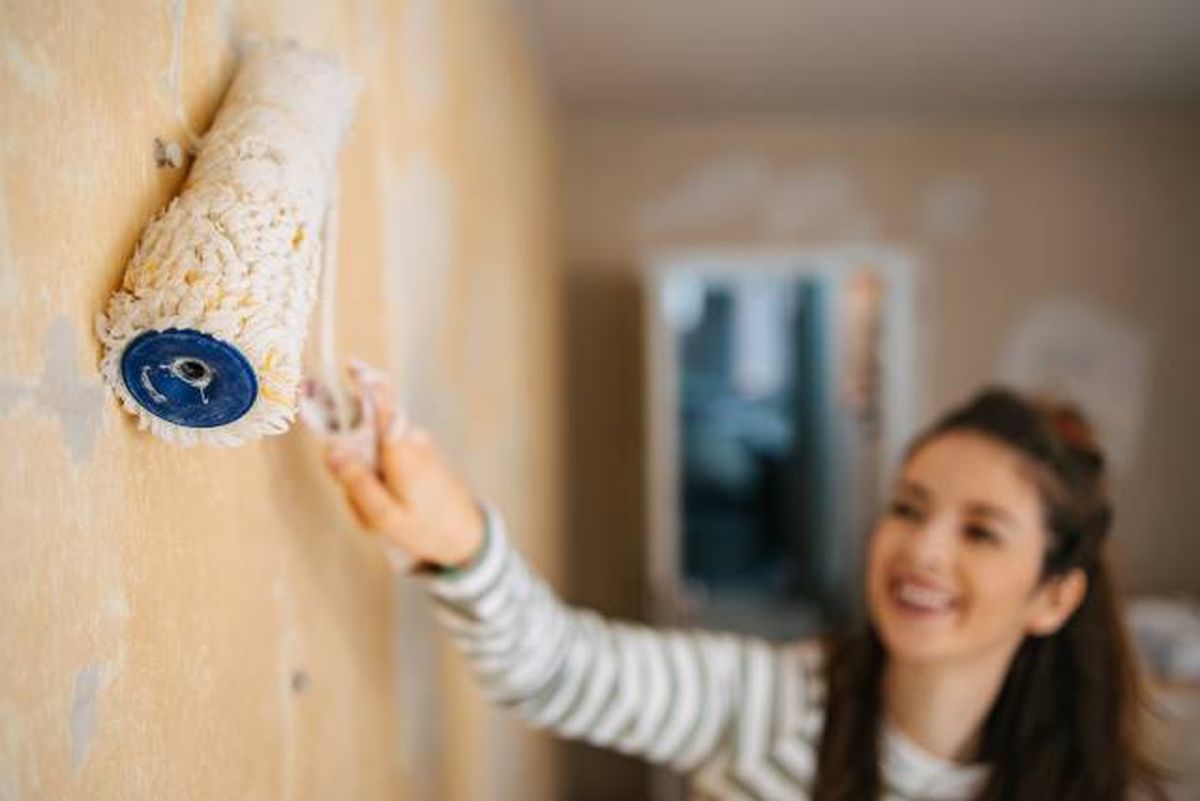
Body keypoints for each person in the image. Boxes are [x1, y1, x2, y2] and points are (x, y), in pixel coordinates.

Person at [322, 379, 1165, 800]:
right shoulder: (776, 700)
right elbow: (560, 668)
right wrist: (460, 543)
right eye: (909, 508)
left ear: (1053, 596)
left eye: (981, 530)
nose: (923, 550)